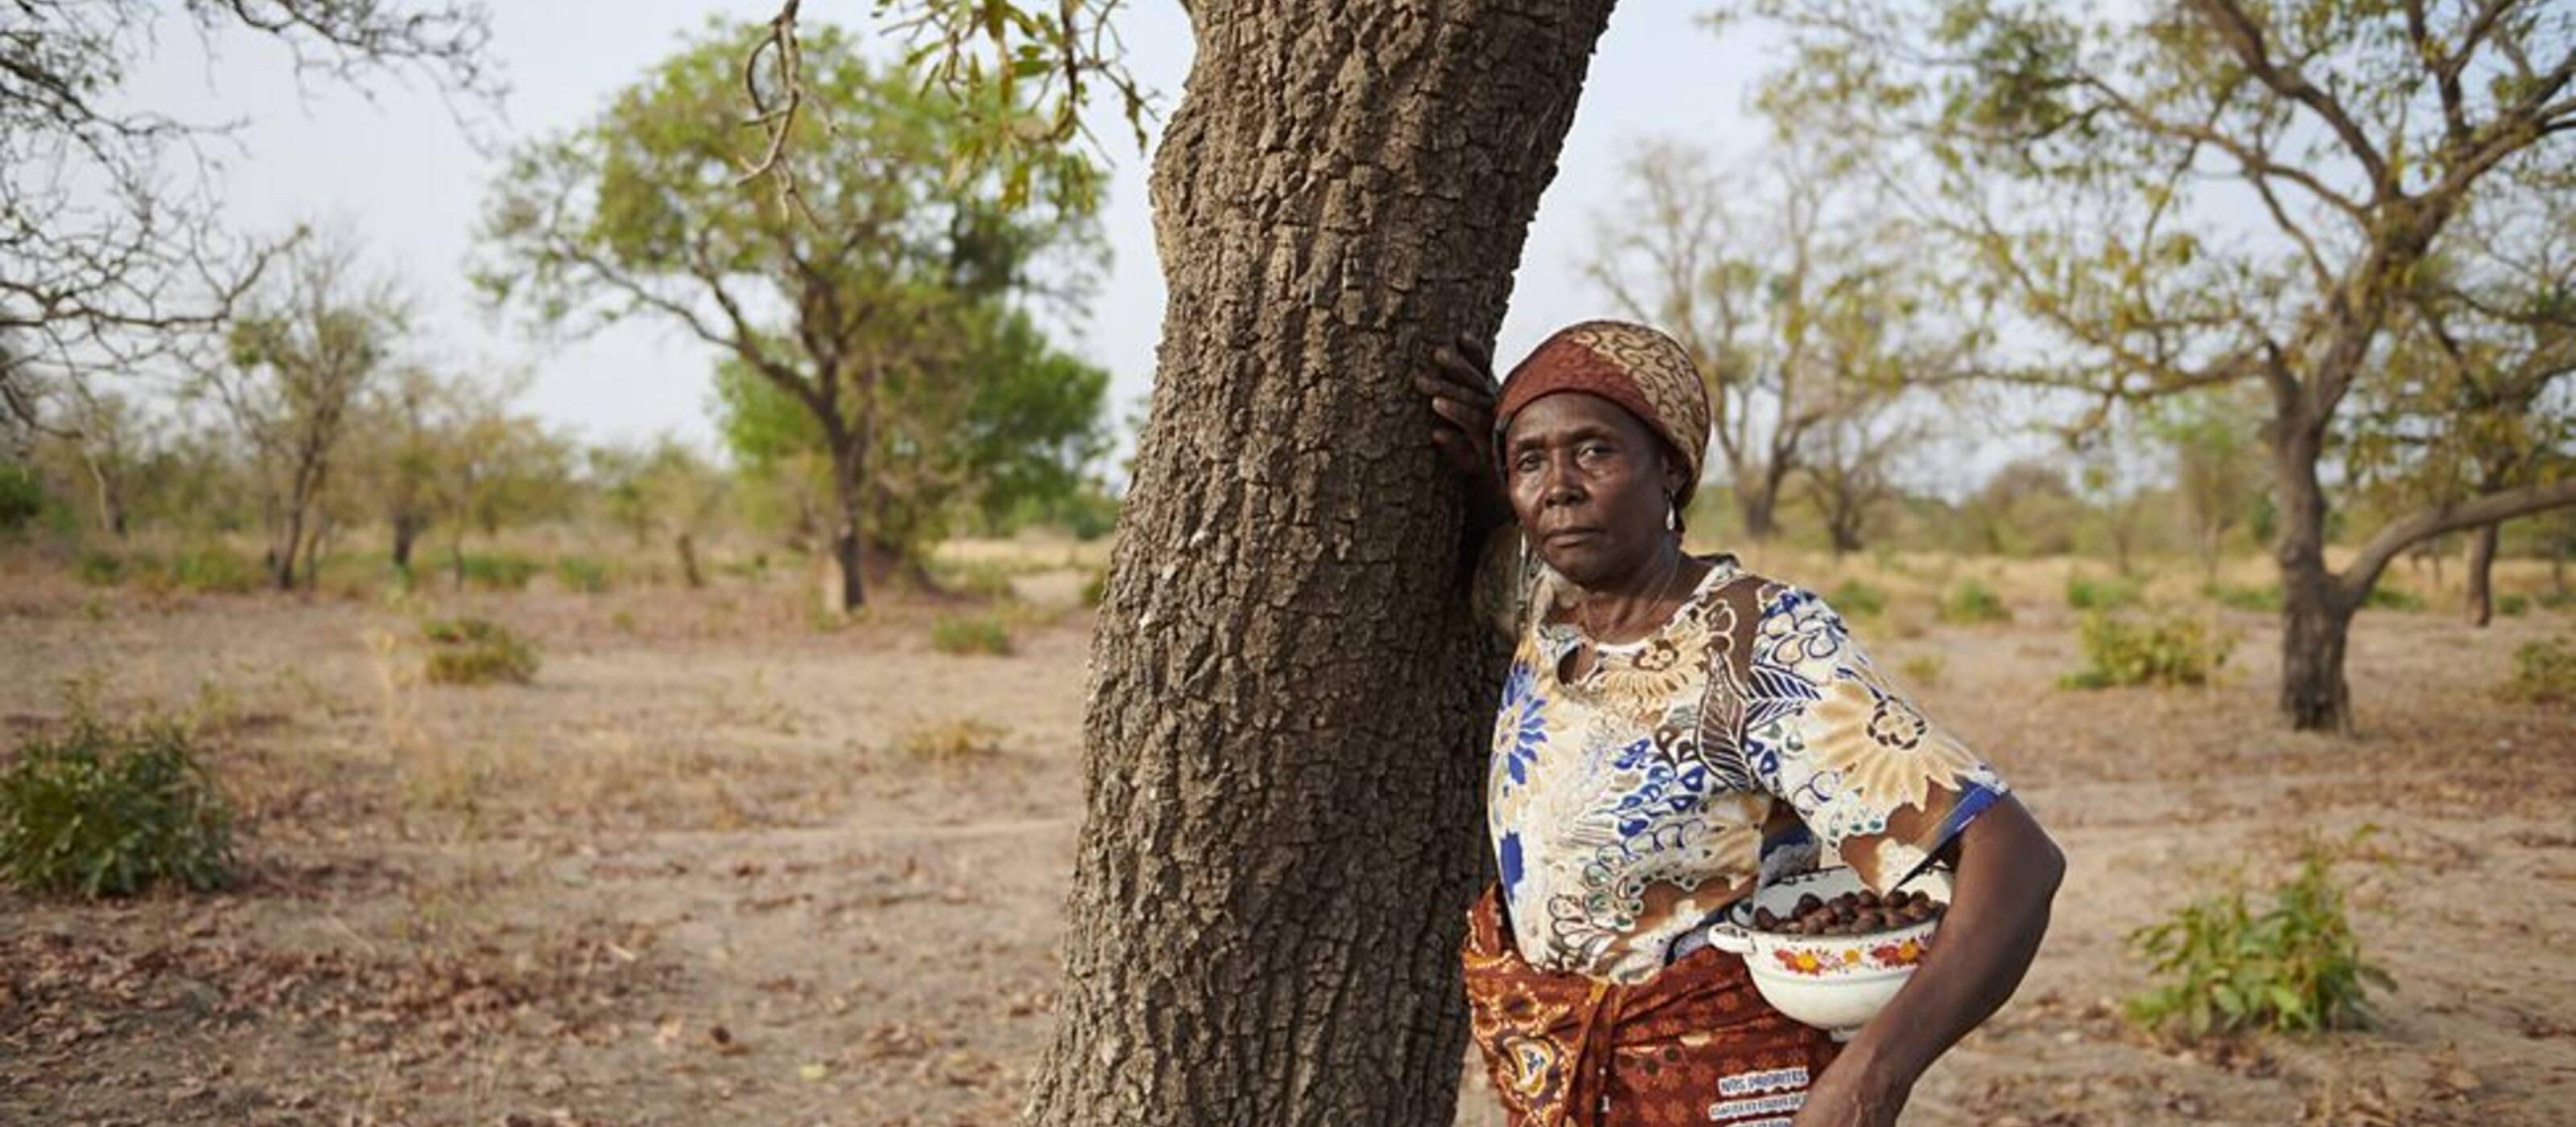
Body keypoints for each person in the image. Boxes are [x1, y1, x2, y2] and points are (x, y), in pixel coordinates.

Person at [1415, 320, 2065, 1127]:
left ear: (1671, 470)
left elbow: (2015, 859)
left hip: (1730, 1093)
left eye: (1593, 452)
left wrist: (1868, 1082)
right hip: (1567, 1093)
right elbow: (1513, 544)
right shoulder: (1548, 614)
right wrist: (1487, 473)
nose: (1558, 487)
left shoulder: (1754, 643)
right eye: (1530, 461)